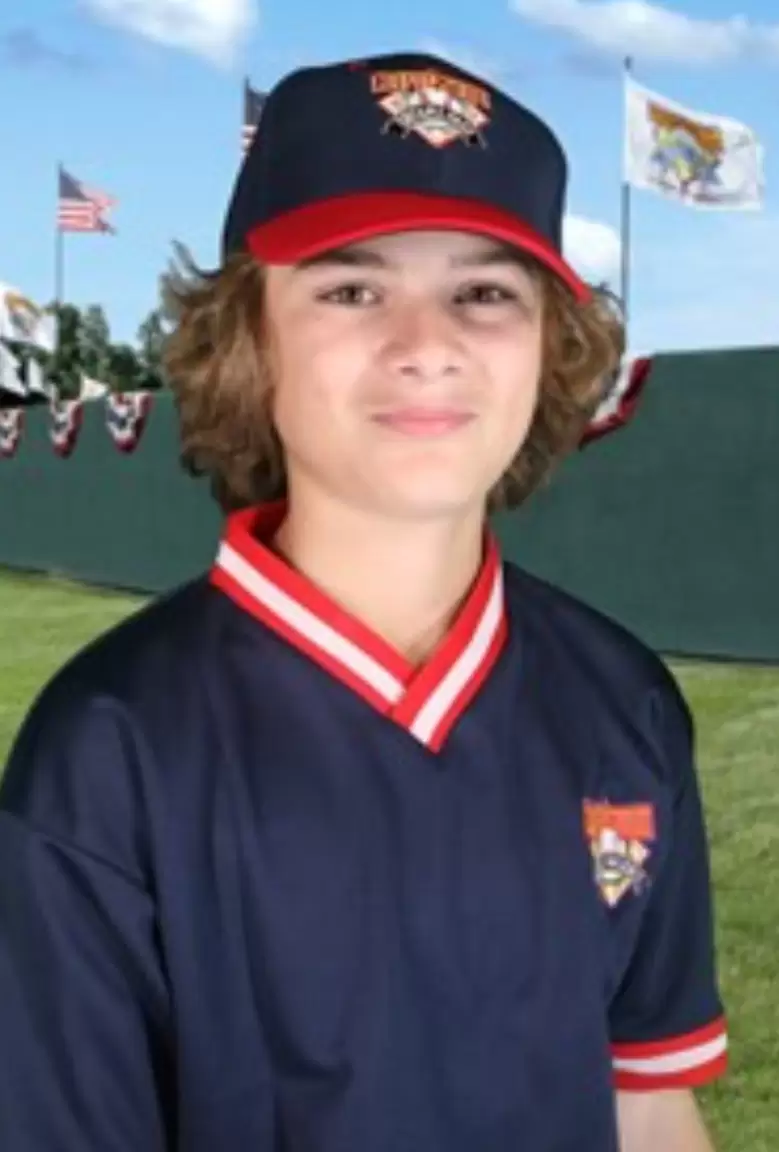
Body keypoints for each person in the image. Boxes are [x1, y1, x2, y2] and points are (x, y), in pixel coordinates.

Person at [0, 50, 727, 1152]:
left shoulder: (622, 701)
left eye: (483, 293)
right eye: (350, 289)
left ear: (549, 345)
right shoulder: (108, 750)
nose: (426, 347)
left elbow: (646, 1102)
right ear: (249, 339)